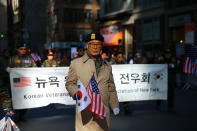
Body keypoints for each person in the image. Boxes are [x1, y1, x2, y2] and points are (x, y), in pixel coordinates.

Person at [66, 32, 120, 131]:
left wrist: (115, 105)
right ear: (87, 45)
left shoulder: (107, 66)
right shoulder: (76, 64)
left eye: (98, 44)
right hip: (85, 111)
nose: (95, 47)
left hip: (102, 112)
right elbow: (70, 83)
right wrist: (76, 94)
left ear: (101, 46)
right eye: (92, 44)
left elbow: (111, 88)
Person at [9, 43, 36, 122]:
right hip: (16, 82)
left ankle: (23, 115)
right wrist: (13, 69)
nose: (23, 50)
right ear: (18, 50)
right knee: (16, 99)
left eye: (24, 49)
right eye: (21, 49)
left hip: (26, 82)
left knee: (25, 99)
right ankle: (17, 114)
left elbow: (35, 68)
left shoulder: (30, 59)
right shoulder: (13, 58)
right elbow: (8, 68)